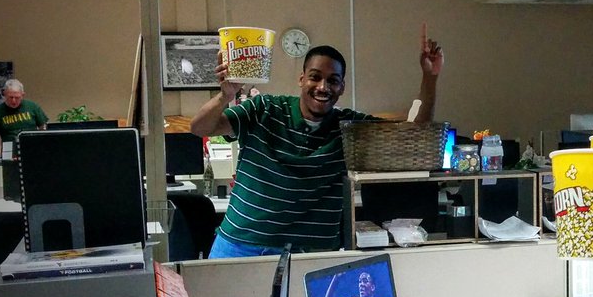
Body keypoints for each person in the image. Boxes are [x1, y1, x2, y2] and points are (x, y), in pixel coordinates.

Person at [190, 29, 443, 256]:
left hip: (310, 252)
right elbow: (199, 127)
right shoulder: (264, 109)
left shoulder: (349, 128)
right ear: (301, 80)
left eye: (332, 80)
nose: (323, 87)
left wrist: (429, 79)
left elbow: (416, 137)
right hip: (242, 244)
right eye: (315, 77)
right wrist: (225, 96)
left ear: (342, 87)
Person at [0, 79, 48, 157]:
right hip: (9, 151)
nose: (14, 101)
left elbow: (43, 128)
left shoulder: (33, 107)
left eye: (17, 97)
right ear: (4, 94)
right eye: (10, 97)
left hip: (32, 149)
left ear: (23, 95)